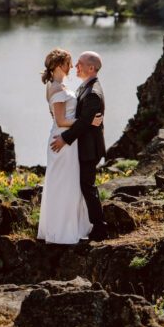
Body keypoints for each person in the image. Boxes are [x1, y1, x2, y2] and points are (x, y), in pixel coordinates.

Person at [37, 48, 102, 244]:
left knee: (69, 185)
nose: (72, 66)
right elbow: (61, 120)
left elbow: (61, 116)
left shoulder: (57, 85)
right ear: (59, 65)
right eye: (68, 63)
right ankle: (60, 231)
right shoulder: (56, 88)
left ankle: (70, 226)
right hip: (62, 141)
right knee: (62, 185)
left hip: (67, 141)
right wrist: (87, 121)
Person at [50, 50, 109, 241]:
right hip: (83, 146)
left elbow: (84, 122)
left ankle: (100, 227)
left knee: (87, 186)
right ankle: (80, 223)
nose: (76, 66)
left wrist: (63, 139)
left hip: (89, 149)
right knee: (83, 185)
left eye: (80, 64)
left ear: (91, 68)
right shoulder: (85, 87)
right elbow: (80, 118)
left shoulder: (93, 93)